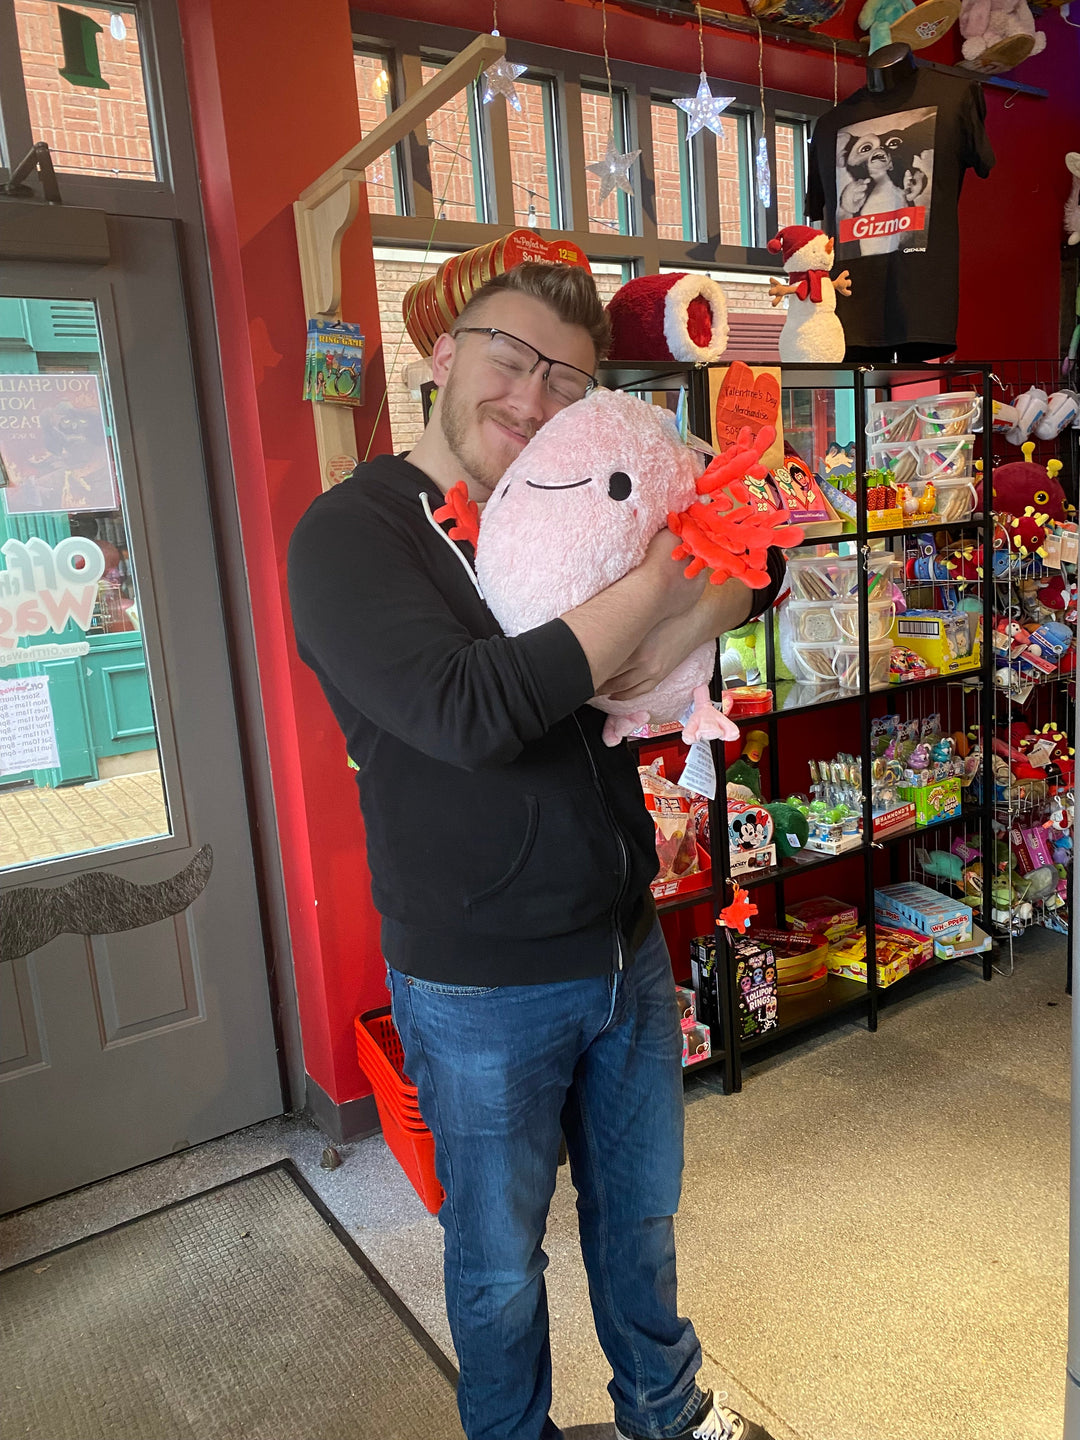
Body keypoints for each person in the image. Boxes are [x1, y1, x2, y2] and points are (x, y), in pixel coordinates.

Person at [288, 262, 783, 1440]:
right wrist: (656, 586)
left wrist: (694, 596)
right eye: (508, 358)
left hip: (625, 938)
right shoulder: (350, 535)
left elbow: (757, 561)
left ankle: (666, 1408)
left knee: (640, 1218)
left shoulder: (584, 491)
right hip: (478, 979)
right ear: (443, 354)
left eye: (568, 380)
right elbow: (475, 711)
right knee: (499, 1258)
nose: (531, 397)